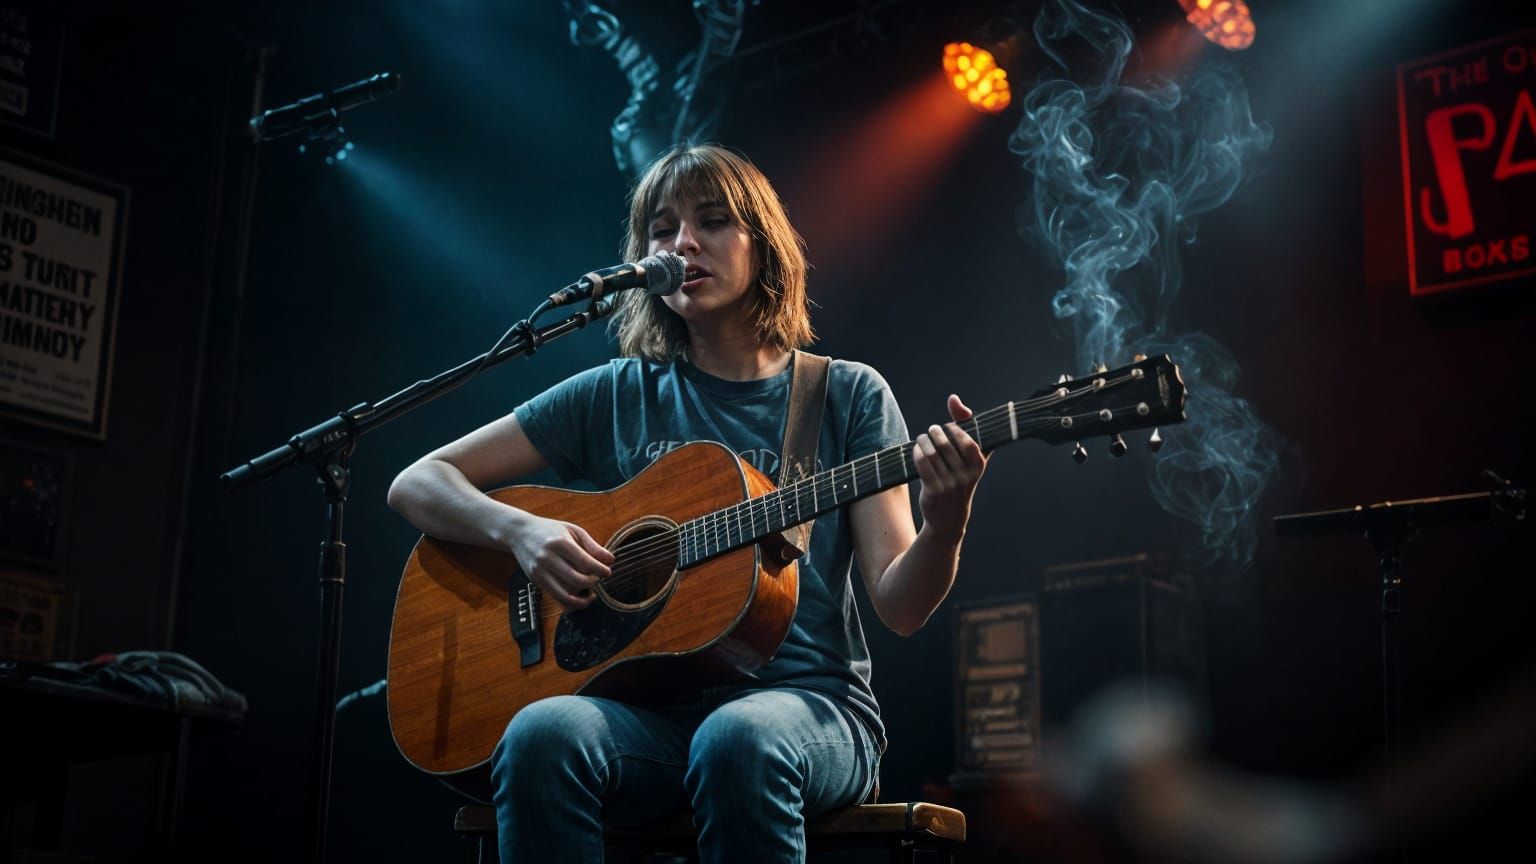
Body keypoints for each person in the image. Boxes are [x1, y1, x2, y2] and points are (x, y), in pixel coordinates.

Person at [387, 143, 988, 863]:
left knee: (737, 739)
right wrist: (520, 532)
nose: (683, 244)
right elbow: (419, 481)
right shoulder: (617, 392)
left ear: (762, 246)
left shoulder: (842, 394)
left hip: (808, 711)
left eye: (712, 222)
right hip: (649, 725)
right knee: (540, 733)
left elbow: (900, 605)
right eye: (663, 229)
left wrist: (946, 522)